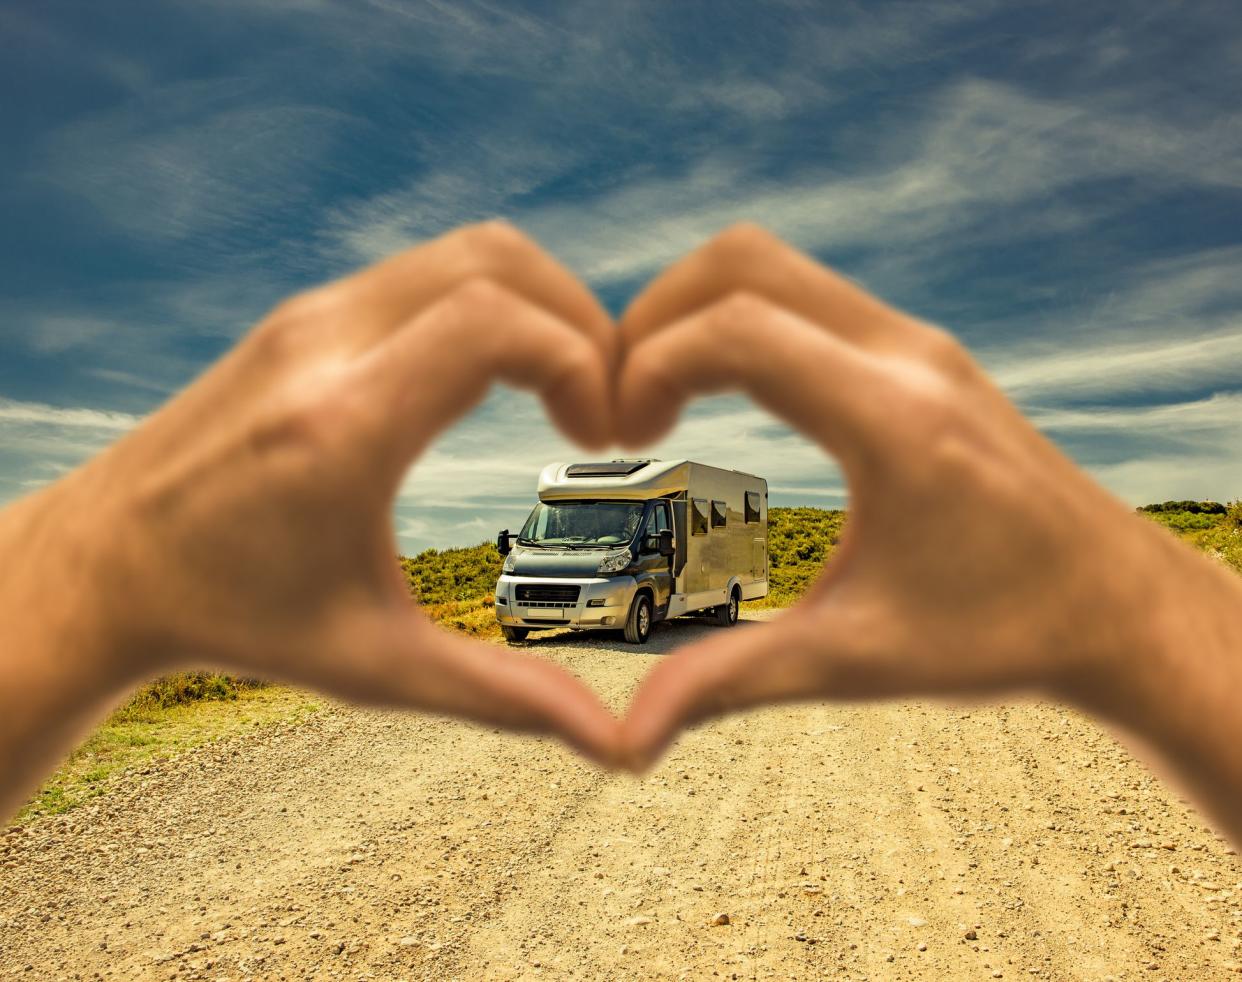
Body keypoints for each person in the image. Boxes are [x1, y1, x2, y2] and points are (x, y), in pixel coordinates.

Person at [1, 221, 1239, 850]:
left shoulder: (666, 531)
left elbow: (679, 543)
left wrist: (66, 585)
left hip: (662, 582)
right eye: (531, 539)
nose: (533, 554)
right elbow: (536, 545)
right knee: (560, 579)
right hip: (609, 571)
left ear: (657, 527)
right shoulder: (557, 526)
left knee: (641, 588)